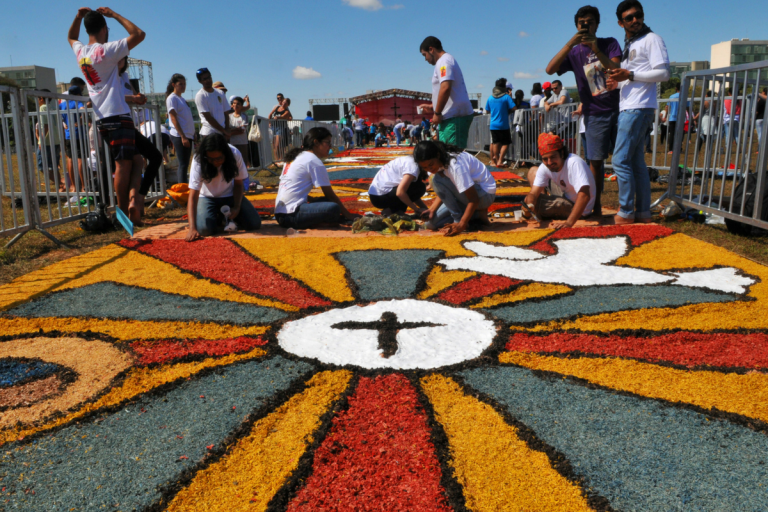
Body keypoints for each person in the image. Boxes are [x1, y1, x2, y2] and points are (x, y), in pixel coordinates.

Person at [68, 7, 146, 222]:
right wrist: (116, 15)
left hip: (102, 118)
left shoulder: (81, 52)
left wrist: (77, 17)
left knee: (127, 162)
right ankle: (123, 213)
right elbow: (139, 34)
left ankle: (124, 208)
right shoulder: (108, 50)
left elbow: (71, 37)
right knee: (124, 165)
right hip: (119, 115)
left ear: (87, 29)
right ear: (104, 28)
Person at [546, 5, 620, 216]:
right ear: (577, 25)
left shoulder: (609, 43)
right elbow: (550, 69)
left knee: (623, 160)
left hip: (618, 107)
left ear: (597, 24)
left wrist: (595, 48)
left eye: (590, 22)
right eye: (581, 23)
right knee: (595, 162)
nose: (586, 26)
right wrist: (572, 42)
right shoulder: (575, 52)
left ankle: (627, 207)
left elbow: (615, 70)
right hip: (594, 112)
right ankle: (594, 207)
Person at [606, 0, 669, 225]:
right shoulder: (631, 43)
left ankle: (626, 211)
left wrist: (629, 75)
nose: (635, 20)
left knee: (620, 161)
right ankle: (642, 211)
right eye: (629, 18)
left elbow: (663, 74)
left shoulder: (651, 39)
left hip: (637, 107)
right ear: (620, 23)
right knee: (635, 162)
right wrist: (618, 83)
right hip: (634, 105)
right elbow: (634, 76)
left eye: (638, 15)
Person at [274, 127, 358, 229]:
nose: (330, 146)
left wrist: (313, 200)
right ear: (316, 142)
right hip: (291, 216)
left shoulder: (296, 157)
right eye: (328, 142)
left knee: (325, 201)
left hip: (280, 214)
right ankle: (317, 223)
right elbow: (330, 194)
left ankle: (316, 221)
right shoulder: (313, 160)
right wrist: (348, 215)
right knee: (334, 208)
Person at [185, 133, 261, 241]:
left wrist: (237, 207)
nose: (215, 162)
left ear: (226, 154)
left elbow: (239, 184)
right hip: (206, 197)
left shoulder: (234, 153)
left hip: (229, 195)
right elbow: (193, 195)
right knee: (204, 230)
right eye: (211, 159)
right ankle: (218, 217)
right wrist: (192, 228)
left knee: (254, 224)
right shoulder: (199, 159)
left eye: (219, 158)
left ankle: (226, 217)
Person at [413, 140, 496, 236]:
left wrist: (461, 224)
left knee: (435, 179)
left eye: (431, 165)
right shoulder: (438, 163)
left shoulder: (455, 166)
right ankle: (476, 215)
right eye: (425, 167)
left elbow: (474, 199)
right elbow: (446, 189)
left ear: (438, 155)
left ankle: (459, 218)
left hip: (483, 195)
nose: (429, 169)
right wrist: (432, 209)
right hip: (468, 196)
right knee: (430, 224)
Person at [523, 133, 596, 228]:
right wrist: (530, 204)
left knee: (538, 202)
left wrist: (568, 223)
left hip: (580, 208)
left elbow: (585, 196)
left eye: (553, 157)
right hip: (565, 195)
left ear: (562, 153)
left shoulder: (573, 163)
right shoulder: (546, 166)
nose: (549, 162)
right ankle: (535, 212)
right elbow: (533, 193)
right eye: (545, 159)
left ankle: (538, 212)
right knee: (533, 171)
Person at [417, 36, 474, 148]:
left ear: (431, 49)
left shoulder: (444, 62)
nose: (426, 59)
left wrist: (437, 113)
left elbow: (446, 87)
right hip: (452, 117)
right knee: (447, 155)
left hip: (454, 117)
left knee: (452, 157)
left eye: (425, 55)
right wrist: (433, 106)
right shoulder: (445, 61)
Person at [166, 73, 195, 184]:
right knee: (183, 164)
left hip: (188, 134)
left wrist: (192, 133)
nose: (183, 86)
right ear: (174, 85)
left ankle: (184, 186)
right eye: (180, 84)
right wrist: (183, 136)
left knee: (186, 163)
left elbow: (187, 118)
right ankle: (182, 188)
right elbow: (173, 118)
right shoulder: (172, 98)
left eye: (184, 84)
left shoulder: (181, 99)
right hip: (180, 135)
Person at [59, 85, 86, 193]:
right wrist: (81, 120)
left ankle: (74, 186)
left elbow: (58, 115)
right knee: (80, 160)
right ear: (78, 94)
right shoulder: (77, 102)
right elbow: (83, 109)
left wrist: (64, 123)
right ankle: (84, 186)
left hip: (68, 135)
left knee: (70, 159)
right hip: (78, 134)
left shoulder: (62, 104)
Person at [485, 78, 517, 168]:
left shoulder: (490, 97)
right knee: (506, 143)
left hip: (493, 124)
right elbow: (514, 108)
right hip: (503, 124)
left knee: (495, 143)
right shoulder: (506, 97)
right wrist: (507, 111)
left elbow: (487, 110)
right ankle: (500, 160)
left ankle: (495, 161)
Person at [35, 91, 63, 191]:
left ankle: (60, 184)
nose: (37, 101)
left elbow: (45, 126)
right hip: (55, 140)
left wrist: (41, 141)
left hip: (47, 141)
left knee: (42, 165)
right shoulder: (52, 108)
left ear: (41, 98)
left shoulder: (43, 108)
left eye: (38, 98)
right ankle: (60, 185)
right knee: (53, 165)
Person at [195, 69, 231, 138]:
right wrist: (223, 130)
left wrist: (227, 129)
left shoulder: (220, 93)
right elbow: (208, 117)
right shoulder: (200, 95)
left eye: (209, 77)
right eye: (204, 79)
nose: (208, 80)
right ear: (200, 81)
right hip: (209, 132)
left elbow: (226, 113)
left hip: (222, 132)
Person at [268, 93, 292, 161]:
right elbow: (270, 114)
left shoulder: (287, 110)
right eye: (278, 98)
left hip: (280, 127)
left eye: (285, 103)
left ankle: (281, 159)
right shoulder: (276, 107)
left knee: (278, 145)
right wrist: (269, 122)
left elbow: (286, 116)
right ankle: (276, 160)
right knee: (274, 146)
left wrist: (278, 117)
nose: (280, 100)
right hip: (273, 126)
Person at [228, 96, 250, 167]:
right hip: (232, 143)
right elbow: (227, 129)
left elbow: (242, 130)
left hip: (242, 142)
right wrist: (235, 130)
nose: (235, 105)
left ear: (241, 106)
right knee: (233, 162)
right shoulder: (229, 116)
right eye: (234, 103)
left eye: (238, 104)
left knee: (243, 162)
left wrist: (231, 132)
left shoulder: (244, 116)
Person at [666, 82, 680, 154]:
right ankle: (678, 148)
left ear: (676, 88)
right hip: (681, 118)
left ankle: (671, 149)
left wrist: (665, 116)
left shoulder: (671, 96)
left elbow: (667, 107)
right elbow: (687, 108)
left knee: (672, 134)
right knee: (679, 134)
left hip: (672, 117)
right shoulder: (684, 96)